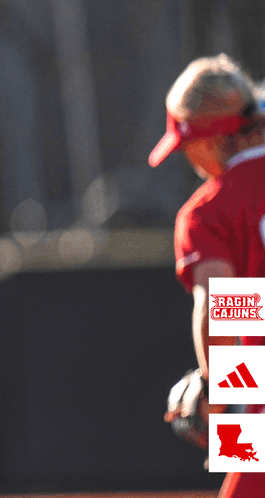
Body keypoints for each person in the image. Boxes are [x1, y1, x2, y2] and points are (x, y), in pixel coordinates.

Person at [151, 54, 265, 498]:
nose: (189, 160)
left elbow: (226, 311)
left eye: (185, 147)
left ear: (204, 137)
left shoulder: (209, 210)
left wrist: (220, 394)